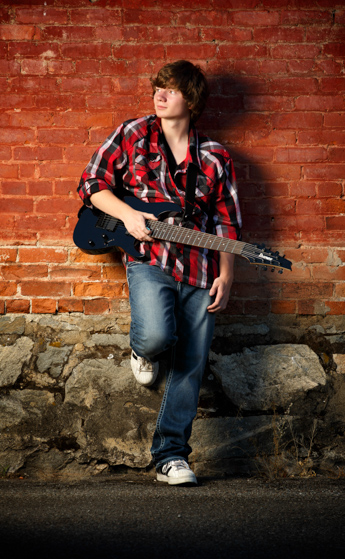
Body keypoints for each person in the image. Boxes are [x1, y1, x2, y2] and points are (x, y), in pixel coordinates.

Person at [77, 60, 242, 485]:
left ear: (192, 98)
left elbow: (226, 224)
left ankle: (172, 457)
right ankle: (143, 351)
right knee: (155, 335)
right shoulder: (133, 133)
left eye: (170, 89)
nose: (159, 94)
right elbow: (92, 183)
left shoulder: (215, 157)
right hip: (150, 258)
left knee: (191, 362)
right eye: (157, 87)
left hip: (201, 268)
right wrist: (129, 214)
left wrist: (228, 274)